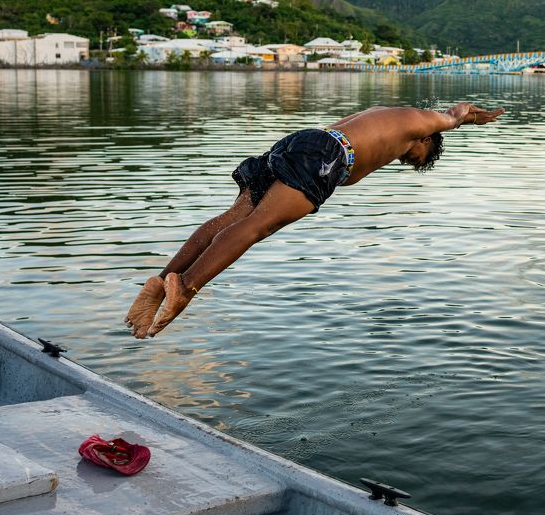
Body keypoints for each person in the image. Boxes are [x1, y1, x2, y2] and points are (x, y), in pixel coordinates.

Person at [125, 102, 505, 339]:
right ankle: (185, 288)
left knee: (232, 219)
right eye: (413, 157)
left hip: (306, 141)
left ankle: (161, 282)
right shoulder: (423, 122)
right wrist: (469, 118)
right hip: (328, 154)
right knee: (259, 225)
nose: (405, 159)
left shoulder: (379, 116)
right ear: (427, 139)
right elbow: (455, 112)